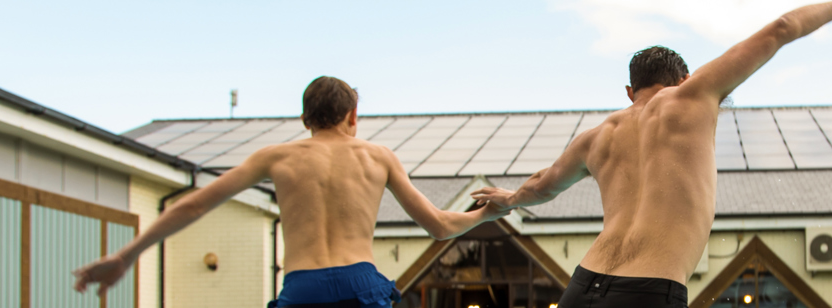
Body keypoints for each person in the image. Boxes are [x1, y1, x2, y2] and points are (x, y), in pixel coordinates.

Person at [466, 1, 832, 307]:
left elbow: (541, 186)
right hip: (649, 291)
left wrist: (505, 199)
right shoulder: (693, 95)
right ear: (685, 77)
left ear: (629, 91)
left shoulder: (597, 137)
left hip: (582, 285)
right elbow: (781, 28)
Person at [70, 76, 512, 308]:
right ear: (353, 115)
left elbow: (196, 203)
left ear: (304, 119)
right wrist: (485, 217)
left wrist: (127, 255)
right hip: (361, 282)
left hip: (302, 287)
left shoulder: (276, 157)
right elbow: (437, 226)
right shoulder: (377, 157)